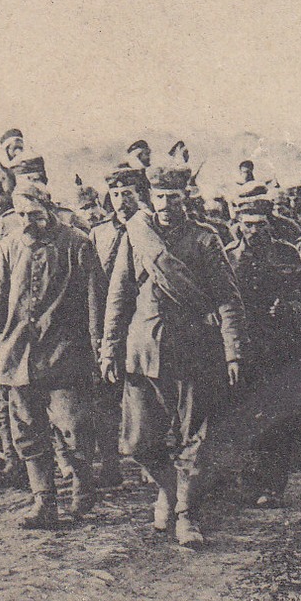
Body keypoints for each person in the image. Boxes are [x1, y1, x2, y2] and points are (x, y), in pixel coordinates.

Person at [100, 163, 245, 548]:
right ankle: (170, 491)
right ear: (150, 196)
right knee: (138, 443)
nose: (166, 203)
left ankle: (186, 514)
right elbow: (118, 295)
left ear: (187, 197)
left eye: (174, 196)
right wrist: (109, 348)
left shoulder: (204, 239)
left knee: (192, 441)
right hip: (142, 350)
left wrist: (233, 352)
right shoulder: (136, 235)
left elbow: (228, 298)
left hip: (193, 350)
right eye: (160, 196)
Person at [0, 184, 106, 528]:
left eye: (35, 214)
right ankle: (43, 501)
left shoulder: (77, 243)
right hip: (18, 357)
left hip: (66, 355)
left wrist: (99, 350)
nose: (29, 222)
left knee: (73, 426)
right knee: (28, 433)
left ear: (49, 209)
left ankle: (82, 484)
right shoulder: (7, 247)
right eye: (22, 215)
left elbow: (95, 302)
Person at [224, 194, 301, 505]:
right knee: (245, 414)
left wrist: (290, 306)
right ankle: (247, 483)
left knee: (277, 417)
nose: (254, 232)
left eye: (260, 225)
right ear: (238, 225)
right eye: (248, 226)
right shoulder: (228, 257)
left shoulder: (287, 255)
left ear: (269, 225)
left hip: (280, 348)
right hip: (244, 347)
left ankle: (272, 486)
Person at [86, 164, 150, 490]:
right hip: (109, 326)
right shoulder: (98, 234)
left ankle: (147, 463)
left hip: (144, 323)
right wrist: (98, 335)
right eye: (115, 194)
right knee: (105, 395)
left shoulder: (150, 228)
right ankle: (110, 464)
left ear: (141, 194)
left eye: (128, 193)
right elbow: (94, 288)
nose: (121, 200)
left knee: (145, 394)